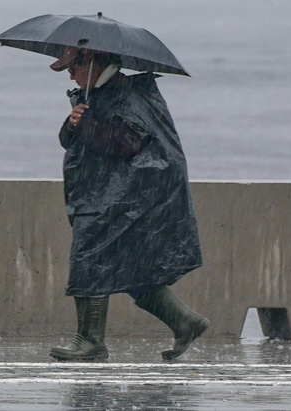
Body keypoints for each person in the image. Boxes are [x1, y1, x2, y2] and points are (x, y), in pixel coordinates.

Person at [47, 46, 209, 362]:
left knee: (89, 260)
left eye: (73, 68)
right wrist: (73, 123)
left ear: (91, 63)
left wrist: (86, 122)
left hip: (120, 199)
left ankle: (90, 341)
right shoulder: (95, 95)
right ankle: (185, 322)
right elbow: (71, 141)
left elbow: (126, 142)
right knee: (132, 269)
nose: (70, 75)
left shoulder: (127, 95)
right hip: (101, 195)